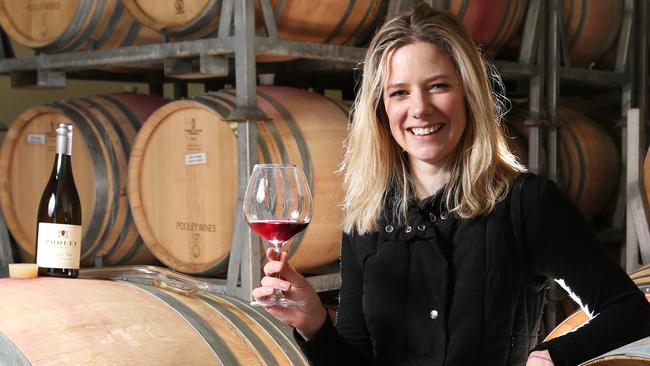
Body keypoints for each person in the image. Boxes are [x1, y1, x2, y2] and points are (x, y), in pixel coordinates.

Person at [252, 3, 650, 365]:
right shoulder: (366, 218)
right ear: (381, 109)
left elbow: (630, 311)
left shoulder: (526, 202)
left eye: (438, 85)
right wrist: (315, 323)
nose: (419, 108)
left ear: (468, 93)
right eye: (399, 92)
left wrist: (555, 355)